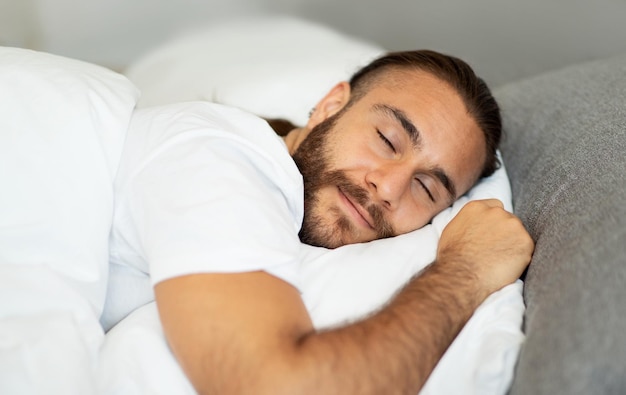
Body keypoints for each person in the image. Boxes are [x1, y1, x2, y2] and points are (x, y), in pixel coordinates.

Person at [109, 50, 533, 394]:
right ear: (331, 106)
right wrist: (467, 269)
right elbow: (275, 386)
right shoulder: (224, 157)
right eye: (387, 140)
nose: (388, 188)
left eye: (426, 188)